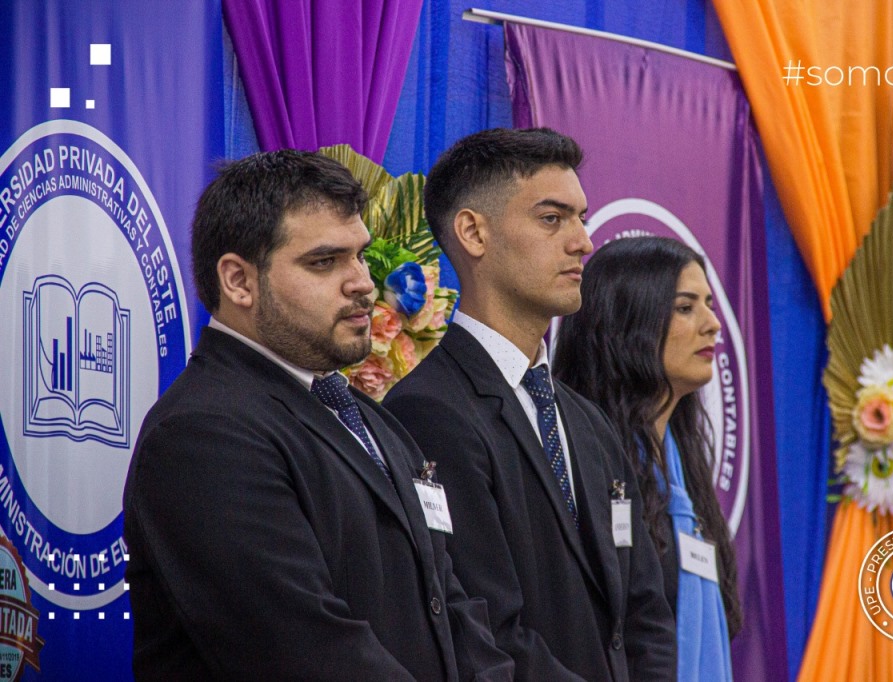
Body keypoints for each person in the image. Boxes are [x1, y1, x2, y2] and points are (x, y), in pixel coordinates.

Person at [122, 150, 513, 681]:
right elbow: (306, 652)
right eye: (324, 262)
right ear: (238, 281)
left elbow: (455, 609)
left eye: (360, 256)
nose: (363, 284)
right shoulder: (202, 435)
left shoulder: (369, 420)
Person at [383, 128, 675, 681]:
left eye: (581, 217)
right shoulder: (427, 410)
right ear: (473, 232)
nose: (583, 241)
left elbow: (644, 611)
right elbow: (487, 627)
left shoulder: (585, 420)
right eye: (552, 218)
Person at [553, 236, 742, 681]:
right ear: (627, 320)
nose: (714, 324)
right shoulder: (582, 460)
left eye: (710, 304)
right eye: (685, 307)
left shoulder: (680, 469)